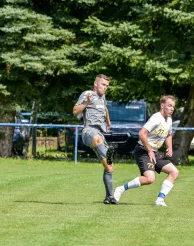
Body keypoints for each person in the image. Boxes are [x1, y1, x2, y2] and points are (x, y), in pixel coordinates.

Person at [113, 95, 179, 207]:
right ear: (162, 105)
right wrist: (149, 150)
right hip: (143, 151)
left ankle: (160, 200)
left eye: (173, 106)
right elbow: (142, 134)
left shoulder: (169, 120)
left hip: (154, 152)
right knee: (149, 179)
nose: (172, 108)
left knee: (174, 172)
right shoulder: (156, 118)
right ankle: (120, 189)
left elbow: (169, 134)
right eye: (169, 105)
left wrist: (170, 147)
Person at [73, 74, 117, 204]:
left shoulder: (102, 97)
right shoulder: (87, 94)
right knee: (98, 139)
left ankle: (109, 197)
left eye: (107, 86)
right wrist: (87, 102)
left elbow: (104, 108)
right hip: (89, 131)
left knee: (109, 168)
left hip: (100, 132)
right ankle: (107, 152)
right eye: (103, 84)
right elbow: (75, 111)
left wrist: (108, 121)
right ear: (96, 84)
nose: (105, 87)